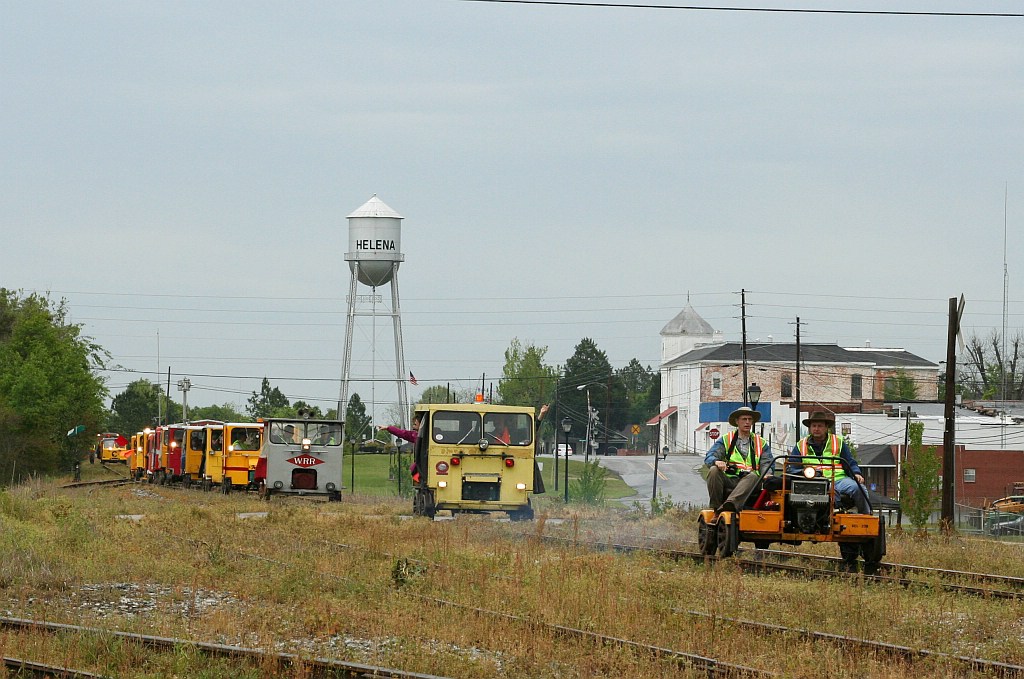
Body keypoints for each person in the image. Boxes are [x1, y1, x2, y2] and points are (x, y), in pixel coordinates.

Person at [790, 411, 871, 514]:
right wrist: (803, 472)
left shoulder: (838, 442)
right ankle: (833, 513)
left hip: (839, 480)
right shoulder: (800, 445)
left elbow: (850, 462)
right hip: (813, 482)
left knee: (859, 488)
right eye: (814, 426)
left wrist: (856, 473)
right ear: (810, 428)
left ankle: (866, 517)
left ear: (826, 427)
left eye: (820, 426)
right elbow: (792, 467)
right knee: (829, 490)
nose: (816, 429)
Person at [704, 406, 773, 513]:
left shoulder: (761, 442)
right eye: (744, 419)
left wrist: (767, 474)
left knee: (754, 476)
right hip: (731, 479)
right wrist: (716, 461)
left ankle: (730, 504)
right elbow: (710, 456)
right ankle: (716, 509)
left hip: (751, 482)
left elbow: (766, 463)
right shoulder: (726, 439)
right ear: (737, 421)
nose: (747, 422)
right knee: (713, 471)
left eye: (750, 419)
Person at [379, 415, 422, 483]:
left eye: (415, 424)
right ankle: (420, 484)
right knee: (414, 471)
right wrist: (388, 428)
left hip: (424, 464)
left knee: (415, 471)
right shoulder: (416, 435)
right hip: (421, 465)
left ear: (421, 424)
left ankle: (420, 483)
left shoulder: (417, 436)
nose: (413, 426)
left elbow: (402, 433)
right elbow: (402, 433)